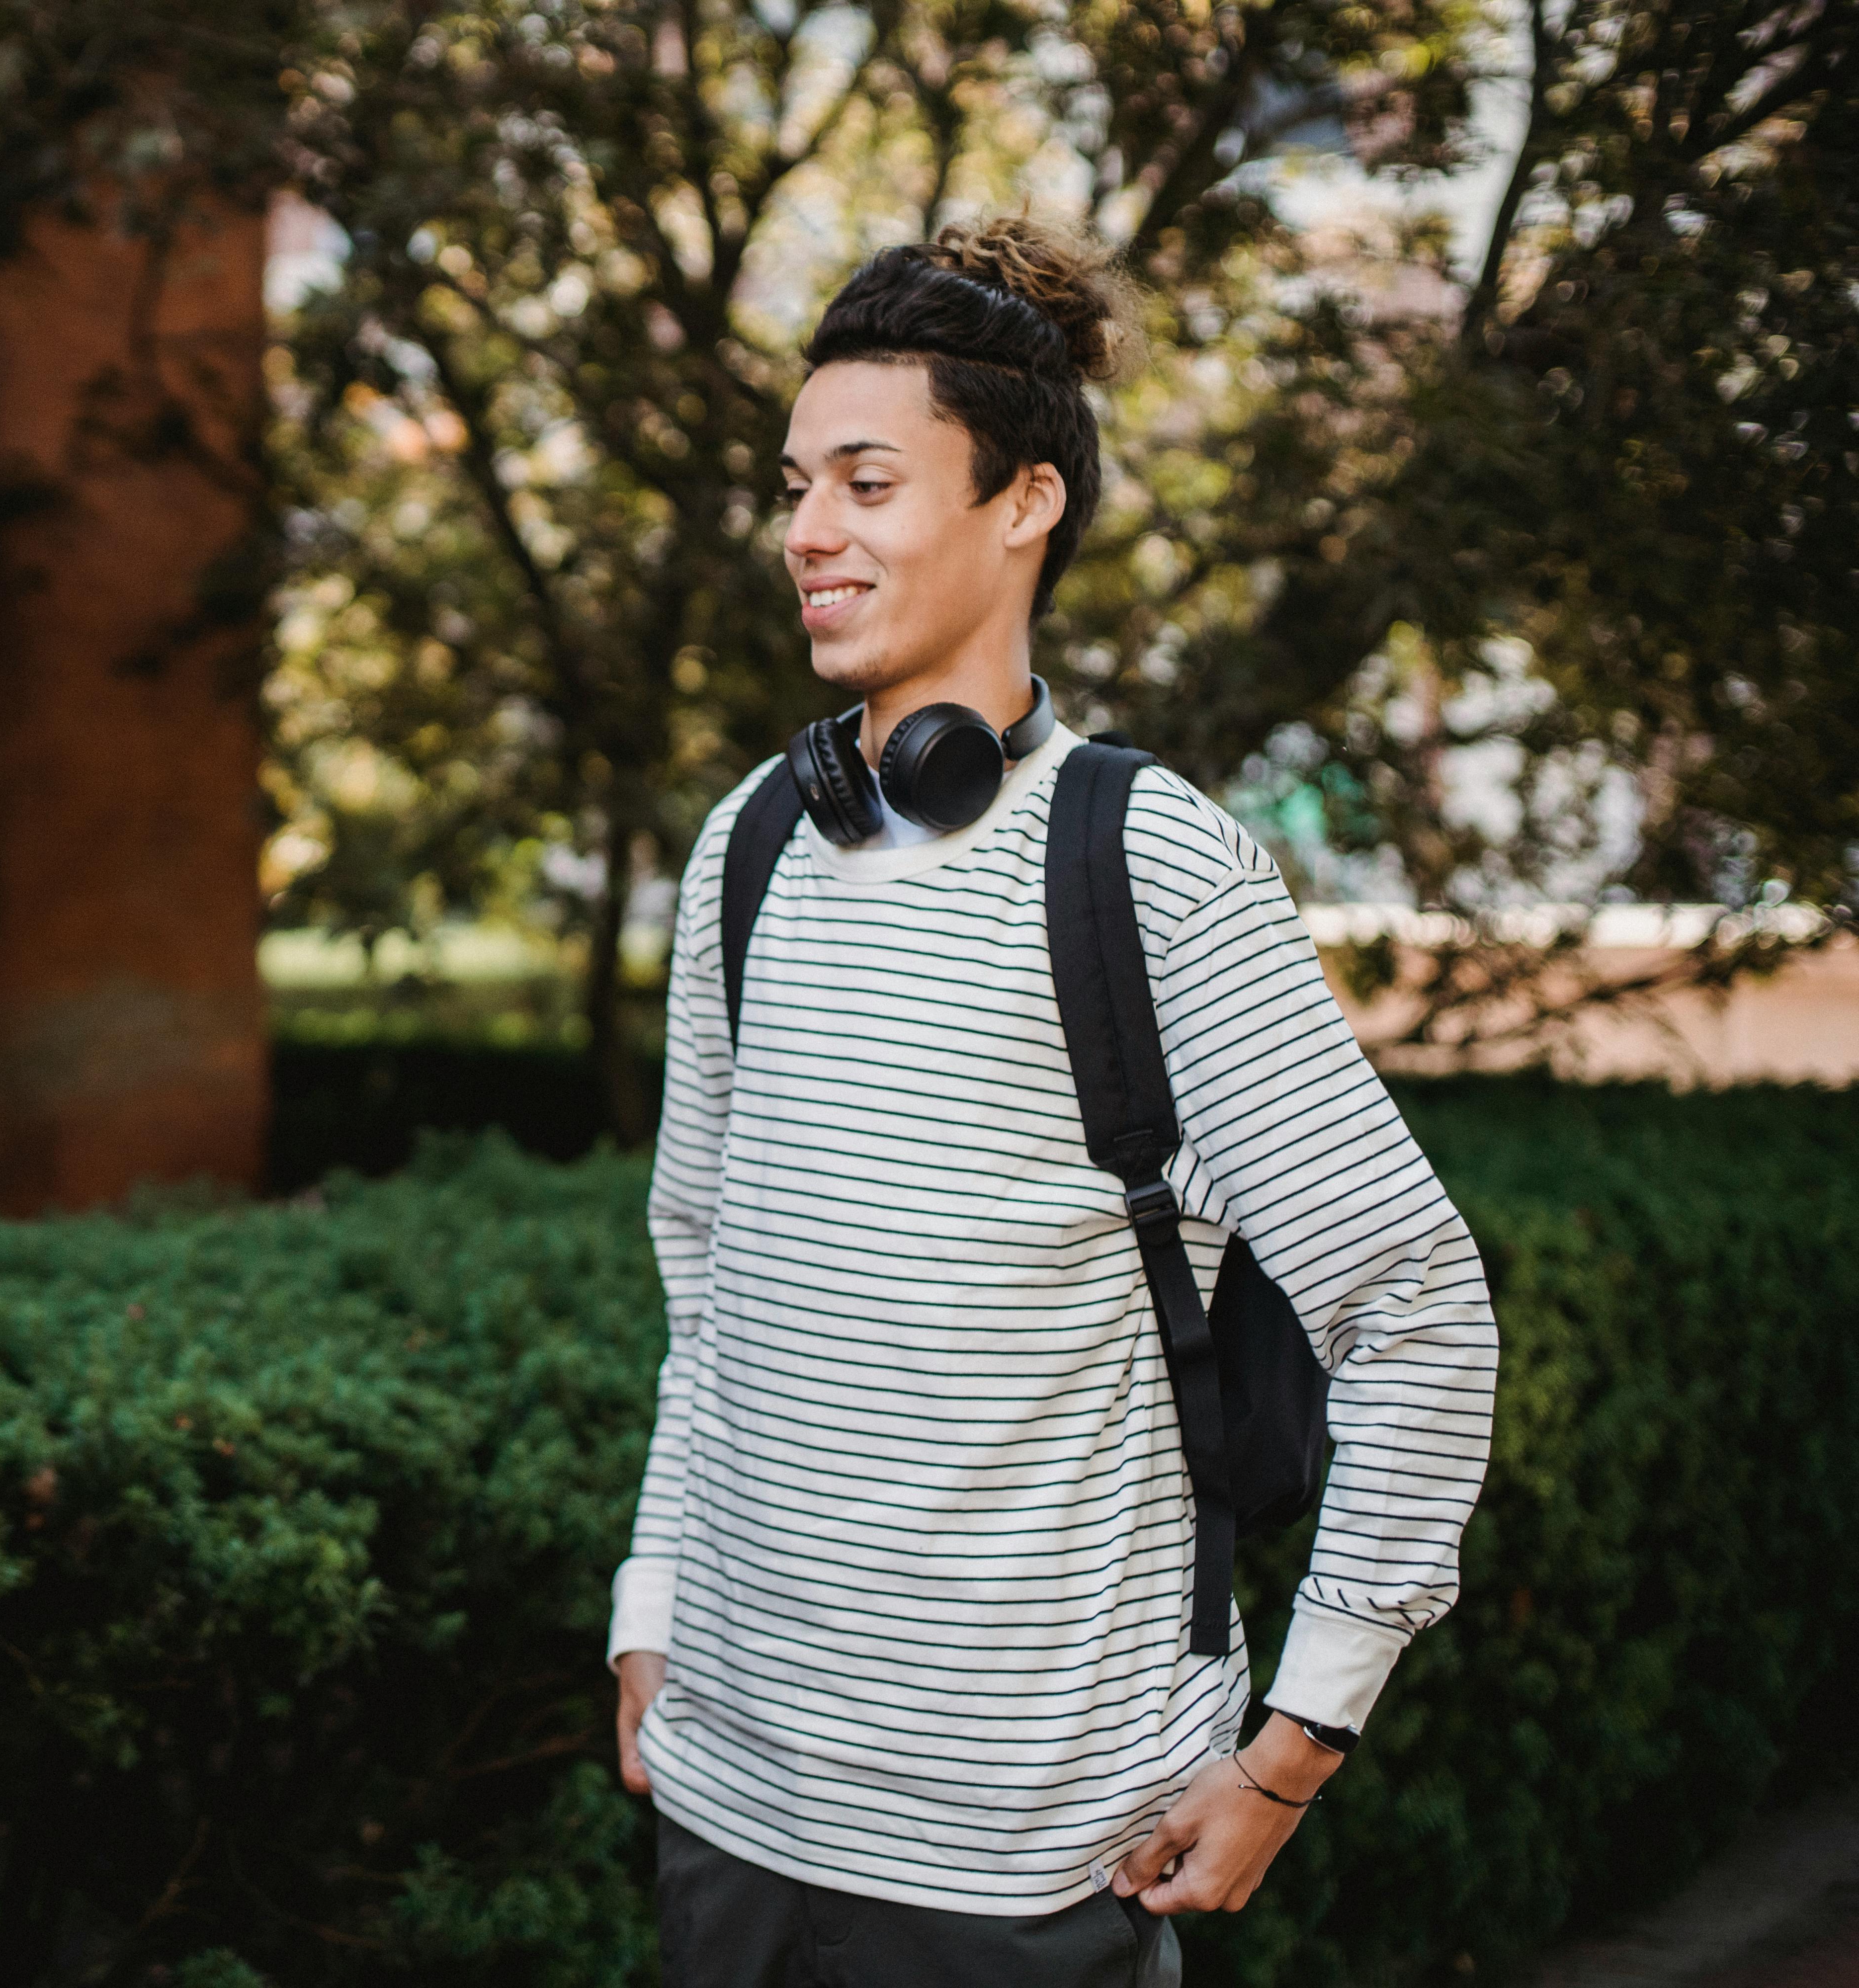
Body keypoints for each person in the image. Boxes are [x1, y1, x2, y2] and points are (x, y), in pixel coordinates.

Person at [606, 223, 1500, 1986]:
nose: (807, 529)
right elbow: (708, 1279)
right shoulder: (751, 848)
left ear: (1023, 504)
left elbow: (1416, 1313)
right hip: (729, 1807)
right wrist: (653, 1608)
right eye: (798, 484)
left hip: (1029, 1855)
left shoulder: (1143, 863)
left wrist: (1299, 1744)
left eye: (869, 481)